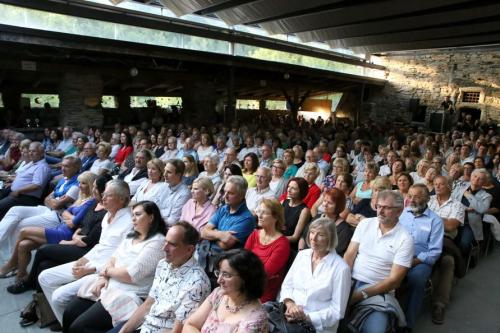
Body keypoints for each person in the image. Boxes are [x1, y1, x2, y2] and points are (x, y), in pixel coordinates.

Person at [62, 201, 167, 333]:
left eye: (138, 214)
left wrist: (106, 271)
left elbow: (130, 275)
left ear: (151, 218)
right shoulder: (131, 235)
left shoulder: (157, 242)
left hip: (127, 293)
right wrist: (104, 277)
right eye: (132, 214)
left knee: (79, 327)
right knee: (69, 313)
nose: (133, 218)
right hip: (108, 285)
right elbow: (113, 258)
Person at [38, 180, 132, 323]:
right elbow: (101, 245)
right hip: (91, 261)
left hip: (103, 271)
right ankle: (62, 321)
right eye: (104, 194)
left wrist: (91, 269)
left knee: (58, 296)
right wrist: (84, 260)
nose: (104, 197)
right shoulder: (107, 216)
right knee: (44, 277)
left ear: (122, 199)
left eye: (109, 195)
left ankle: (68, 324)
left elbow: (121, 256)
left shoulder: (130, 221)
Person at [8, 175, 110, 296]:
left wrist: (71, 235)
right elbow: (79, 222)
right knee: (24, 245)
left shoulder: (96, 205)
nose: (80, 186)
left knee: (27, 234)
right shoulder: (91, 202)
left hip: (71, 238)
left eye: (88, 185)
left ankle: (15, 268)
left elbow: (77, 226)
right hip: (68, 232)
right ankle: (23, 275)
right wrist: (71, 222)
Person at [108, 221, 211, 333]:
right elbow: (148, 304)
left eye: (172, 244)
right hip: (144, 325)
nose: (164, 248)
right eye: (165, 242)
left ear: (189, 249)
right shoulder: (163, 264)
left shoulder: (197, 283)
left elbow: (178, 329)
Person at [343, 191, 414, 333]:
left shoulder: (405, 239)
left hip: (379, 290)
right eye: (379, 206)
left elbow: (394, 281)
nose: (380, 211)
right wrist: (342, 281)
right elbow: (349, 255)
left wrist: (360, 294)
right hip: (351, 281)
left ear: (399, 211)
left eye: (387, 208)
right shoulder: (365, 224)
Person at [279, 217, 351, 333]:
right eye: (312, 232)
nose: (314, 238)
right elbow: (287, 285)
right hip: (289, 318)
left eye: (321, 235)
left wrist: (305, 318)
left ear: (331, 238)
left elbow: (337, 311)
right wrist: (290, 304)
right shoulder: (302, 255)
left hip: (318, 328)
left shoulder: (341, 268)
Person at [0, 155, 81, 257]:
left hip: (58, 217)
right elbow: (47, 199)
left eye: (67, 166)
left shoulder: (77, 183)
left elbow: (56, 204)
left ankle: (11, 259)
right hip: (47, 209)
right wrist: (53, 200)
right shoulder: (64, 179)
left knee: (20, 224)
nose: (63, 169)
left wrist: (53, 200)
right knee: (15, 210)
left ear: (76, 168)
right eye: (62, 165)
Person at [182, 249, 268, 333]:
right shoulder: (218, 294)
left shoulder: (255, 318)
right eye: (219, 273)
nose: (219, 280)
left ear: (245, 278)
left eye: (226, 275)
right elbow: (189, 325)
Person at [398, 184, 444, 331]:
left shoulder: (435, 221)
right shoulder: (403, 213)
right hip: (399, 255)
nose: (411, 200)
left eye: (416, 197)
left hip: (420, 260)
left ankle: (407, 323)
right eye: (410, 196)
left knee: (416, 279)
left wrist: (413, 261)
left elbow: (434, 251)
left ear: (426, 199)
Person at [428, 176, 465, 325]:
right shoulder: (428, 200)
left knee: (448, 261)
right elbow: (416, 218)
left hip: (444, 239)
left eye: (441, 184)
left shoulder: (457, 205)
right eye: (435, 184)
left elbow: (450, 226)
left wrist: (429, 217)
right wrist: (441, 220)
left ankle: (440, 304)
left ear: (450, 187)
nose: (437, 186)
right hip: (423, 237)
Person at [245, 199, 290, 302]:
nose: (259, 216)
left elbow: (264, 273)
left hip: (261, 294)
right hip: (244, 283)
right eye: (259, 211)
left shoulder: (282, 244)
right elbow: (242, 259)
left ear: (275, 217)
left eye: (264, 213)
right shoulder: (255, 234)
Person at [201, 175, 255, 253]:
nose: (225, 196)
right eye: (224, 191)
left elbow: (225, 245)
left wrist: (211, 233)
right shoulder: (223, 208)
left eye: (230, 193)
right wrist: (220, 234)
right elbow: (203, 232)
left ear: (241, 196)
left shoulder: (247, 219)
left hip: (223, 259)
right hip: (205, 252)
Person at [0, 142, 52, 219]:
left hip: (26, 197)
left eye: (33, 151)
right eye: (30, 151)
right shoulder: (32, 164)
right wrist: (13, 184)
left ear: (42, 153)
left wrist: (18, 191)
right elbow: (23, 179)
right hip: (16, 193)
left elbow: (36, 185)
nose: (30, 153)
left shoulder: (42, 167)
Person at [300, 188, 353, 257]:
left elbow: (335, 253)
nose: (325, 204)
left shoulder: (344, 229)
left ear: (338, 206)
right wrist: (300, 252)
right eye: (324, 201)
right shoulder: (317, 217)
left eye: (330, 203)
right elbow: (303, 237)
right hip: (304, 255)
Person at [281, 177, 310, 249]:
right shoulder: (283, 202)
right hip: (276, 237)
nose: (289, 190)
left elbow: (295, 237)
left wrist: (276, 239)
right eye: (288, 187)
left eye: (293, 188)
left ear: (301, 191)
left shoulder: (304, 211)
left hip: (288, 244)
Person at [160, 159, 192, 225]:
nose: (164, 174)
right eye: (164, 171)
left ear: (178, 175)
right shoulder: (163, 185)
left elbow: (173, 221)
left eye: (168, 172)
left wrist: (154, 219)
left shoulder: (185, 194)